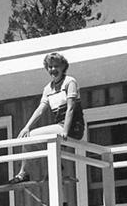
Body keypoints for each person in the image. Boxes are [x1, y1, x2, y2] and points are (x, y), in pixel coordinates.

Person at [12, 52, 86, 183]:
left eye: (56, 66)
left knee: (32, 138)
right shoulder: (48, 88)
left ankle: (24, 173)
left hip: (72, 127)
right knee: (29, 137)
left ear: (63, 67)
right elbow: (40, 110)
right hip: (60, 127)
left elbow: (71, 108)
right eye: (50, 67)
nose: (53, 70)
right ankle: (59, 171)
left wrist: (65, 130)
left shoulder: (70, 82)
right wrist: (26, 127)